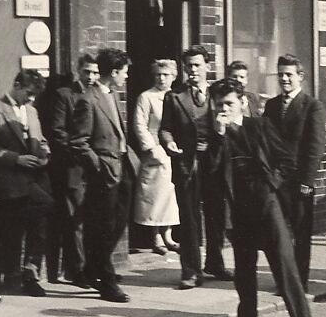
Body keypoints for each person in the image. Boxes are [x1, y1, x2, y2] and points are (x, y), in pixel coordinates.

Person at [205, 79, 318, 317]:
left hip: (267, 207)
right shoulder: (213, 135)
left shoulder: (260, 126)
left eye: (229, 103)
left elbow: (287, 161)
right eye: (219, 105)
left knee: (284, 268)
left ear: (242, 103)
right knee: (244, 274)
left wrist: (270, 186)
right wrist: (219, 137)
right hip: (238, 211)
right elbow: (210, 172)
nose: (224, 109)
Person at [69, 48, 136, 303]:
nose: (127, 77)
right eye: (125, 72)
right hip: (105, 172)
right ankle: (107, 283)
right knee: (103, 228)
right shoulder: (89, 99)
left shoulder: (111, 93)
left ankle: (93, 267)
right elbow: (79, 142)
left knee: (119, 221)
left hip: (122, 167)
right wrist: (98, 167)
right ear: (115, 72)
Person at [160, 45, 230, 288]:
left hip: (215, 163)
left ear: (207, 67)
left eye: (197, 65)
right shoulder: (174, 96)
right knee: (189, 220)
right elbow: (165, 128)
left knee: (216, 216)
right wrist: (168, 143)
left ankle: (215, 263)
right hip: (186, 165)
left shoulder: (218, 94)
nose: (192, 70)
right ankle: (191, 271)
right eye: (188, 66)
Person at [0, 69, 53, 297]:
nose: (31, 99)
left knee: (41, 219)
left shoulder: (31, 110)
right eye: (29, 93)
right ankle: (13, 277)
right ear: (17, 85)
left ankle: (30, 272)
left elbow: (41, 140)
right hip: (9, 181)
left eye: (34, 96)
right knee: (13, 229)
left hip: (35, 178)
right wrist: (16, 159)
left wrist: (44, 153)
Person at [262, 54, 326, 293]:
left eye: (289, 74)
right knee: (277, 235)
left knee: (300, 235)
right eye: (280, 74)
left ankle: (299, 282)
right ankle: (283, 280)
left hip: (299, 182)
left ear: (300, 76)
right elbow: (264, 142)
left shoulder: (312, 106)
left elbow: (315, 147)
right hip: (275, 181)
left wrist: (307, 182)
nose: (284, 79)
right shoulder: (271, 105)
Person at [41, 54, 99, 288]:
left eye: (95, 72)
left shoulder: (100, 95)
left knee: (94, 219)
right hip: (74, 167)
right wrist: (81, 154)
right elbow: (57, 132)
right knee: (76, 221)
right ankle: (77, 271)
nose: (91, 77)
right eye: (87, 71)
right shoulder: (65, 95)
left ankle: (94, 267)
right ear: (78, 70)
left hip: (97, 167)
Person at [133, 59, 181, 254]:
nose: (162, 78)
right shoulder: (146, 97)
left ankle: (169, 234)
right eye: (158, 75)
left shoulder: (176, 96)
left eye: (166, 75)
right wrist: (151, 148)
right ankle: (156, 235)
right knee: (155, 194)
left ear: (174, 77)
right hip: (155, 150)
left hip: (173, 150)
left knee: (170, 195)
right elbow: (139, 125)